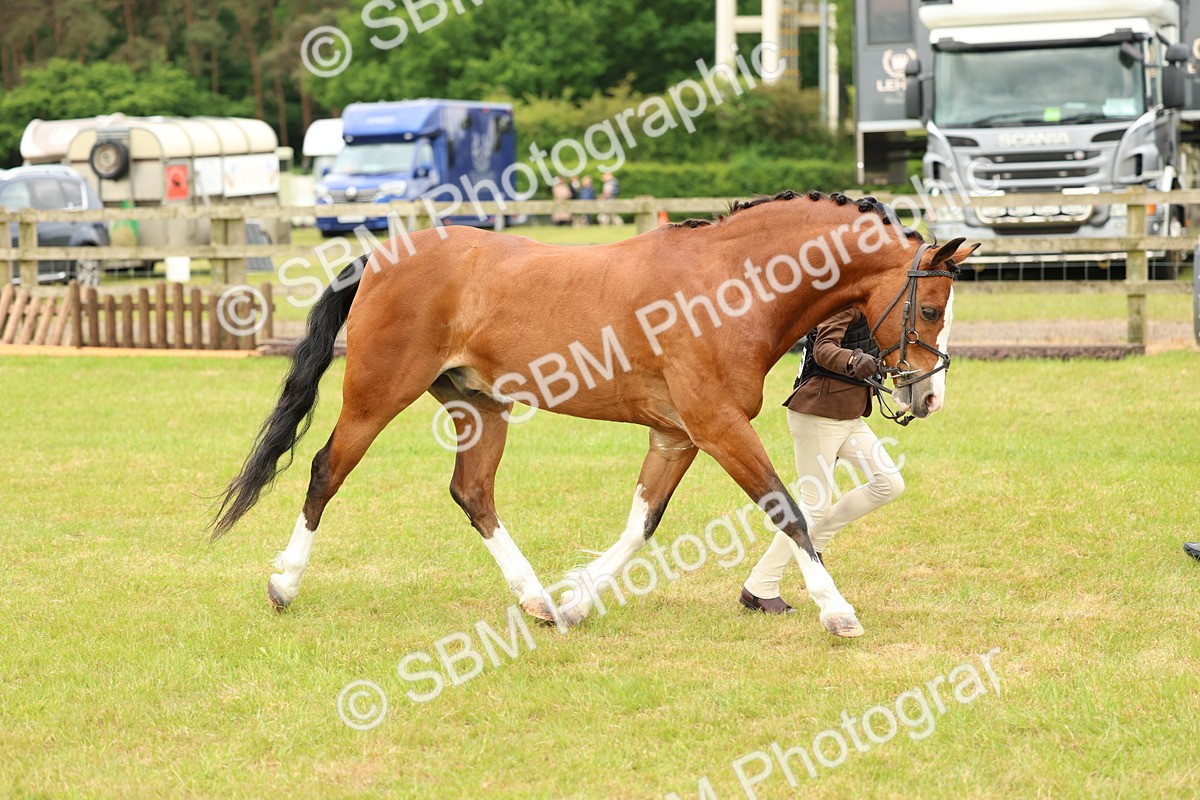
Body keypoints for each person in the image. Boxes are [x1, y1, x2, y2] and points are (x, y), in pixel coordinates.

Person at [740, 309, 905, 613]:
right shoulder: (844, 303)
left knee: (889, 483)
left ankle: (816, 541)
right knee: (814, 505)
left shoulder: (876, 305)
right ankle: (760, 586)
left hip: (850, 416)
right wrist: (854, 361)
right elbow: (823, 348)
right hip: (818, 413)